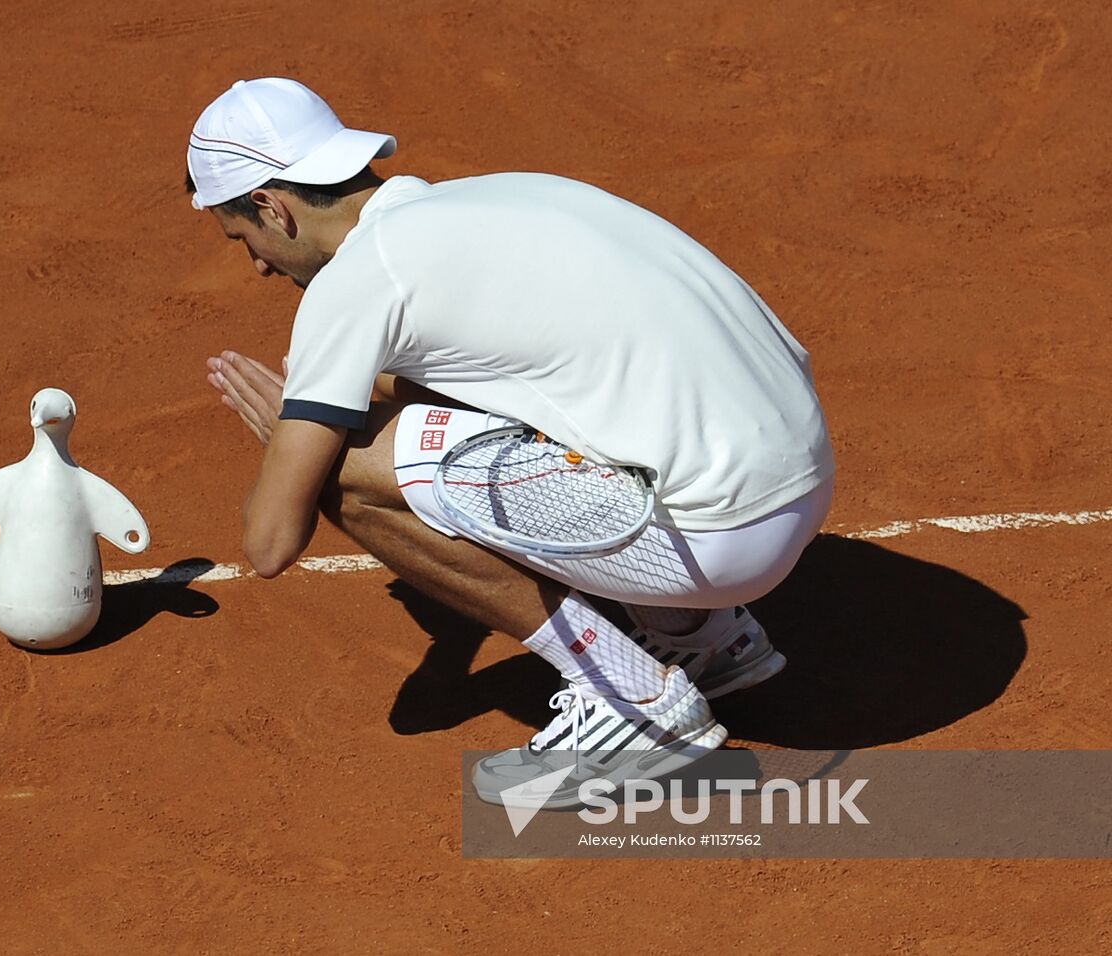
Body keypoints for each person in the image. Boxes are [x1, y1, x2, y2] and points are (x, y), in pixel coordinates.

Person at [187, 77, 834, 806]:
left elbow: (270, 542)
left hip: (716, 539)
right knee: (482, 412)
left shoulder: (358, 280)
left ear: (273, 207)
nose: (259, 267)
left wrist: (291, 439)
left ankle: (630, 705)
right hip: (802, 483)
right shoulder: (501, 196)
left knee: (341, 472)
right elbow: (497, 386)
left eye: (243, 238)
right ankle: (703, 638)